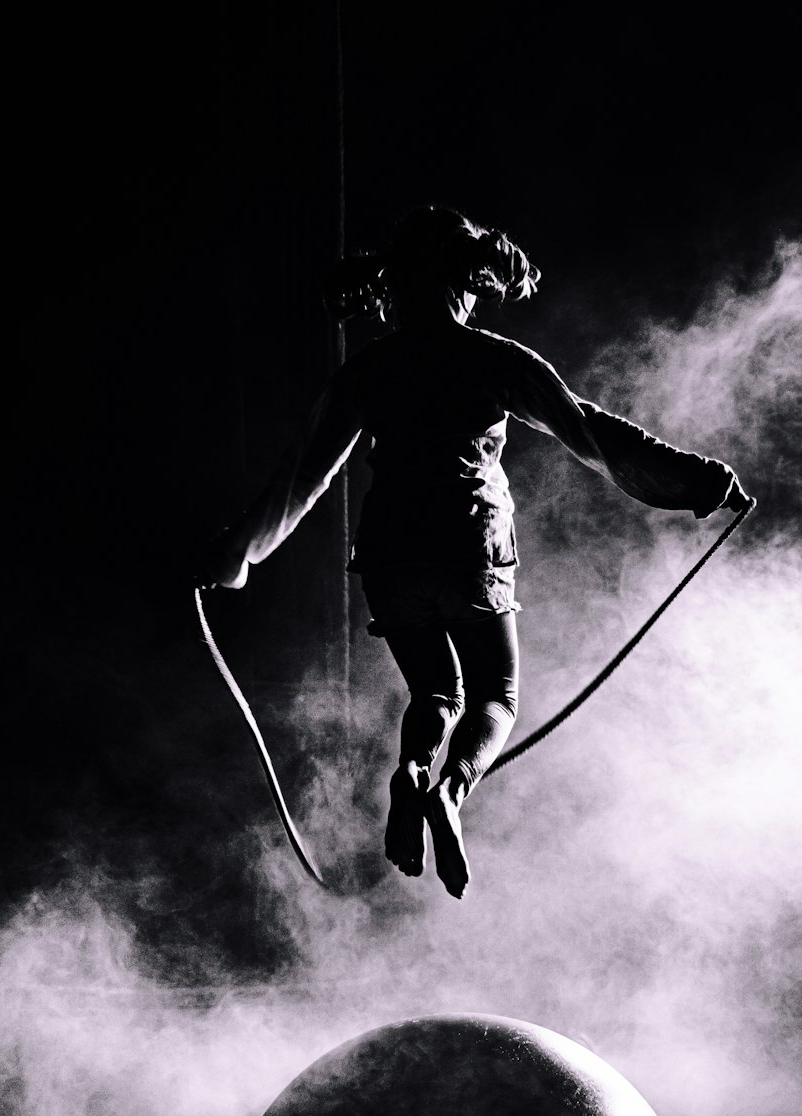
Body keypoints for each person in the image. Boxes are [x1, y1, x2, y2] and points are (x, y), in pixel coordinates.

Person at [197, 205, 752, 900]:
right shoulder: (496, 362)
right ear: (468, 282)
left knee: (434, 690)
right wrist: (697, 479)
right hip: (470, 547)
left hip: (391, 556)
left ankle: (412, 772)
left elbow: (298, 480)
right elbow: (594, 438)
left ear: (394, 287)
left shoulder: (367, 372)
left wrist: (231, 554)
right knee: (496, 696)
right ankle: (450, 793)